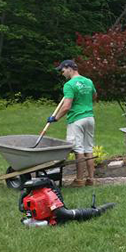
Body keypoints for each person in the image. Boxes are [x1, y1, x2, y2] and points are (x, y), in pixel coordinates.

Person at [47, 59, 97, 187]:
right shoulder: (88, 81)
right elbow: (94, 96)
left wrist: (55, 118)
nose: (62, 73)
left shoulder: (69, 85)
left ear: (69, 68)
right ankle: (91, 179)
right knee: (88, 148)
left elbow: (66, 106)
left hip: (77, 120)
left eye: (62, 70)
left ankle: (79, 180)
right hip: (90, 118)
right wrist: (83, 102)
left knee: (78, 149)